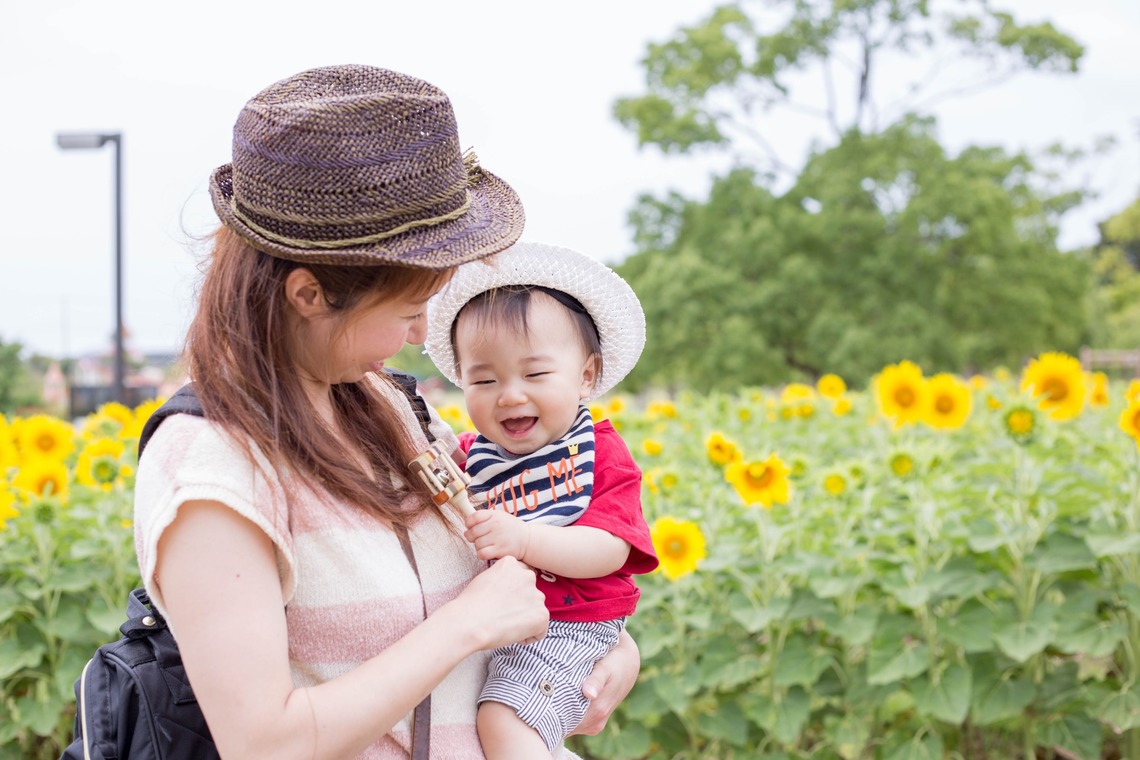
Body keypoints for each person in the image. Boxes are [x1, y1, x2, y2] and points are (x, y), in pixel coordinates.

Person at [133, 65, 640, 760]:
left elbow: (517, 587)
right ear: (309, 295)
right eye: (407, 310)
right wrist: (466, 628)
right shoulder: (211, 469)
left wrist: (611, 650)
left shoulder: (392, 408)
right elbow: (264, 743)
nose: (419, 334)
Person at [424, 242, 659, 758]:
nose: (510, 394)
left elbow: (611, 549)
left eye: (534, 374)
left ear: (586, 376)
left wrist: (526, 539)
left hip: (571, 625)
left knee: (505, 720)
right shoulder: (473, 456)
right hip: (507, 624)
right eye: (484, 379)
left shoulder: (598, 454)